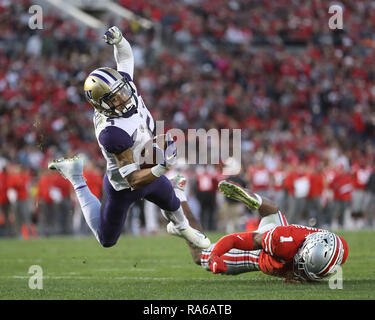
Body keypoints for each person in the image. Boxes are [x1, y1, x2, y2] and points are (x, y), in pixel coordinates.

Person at [48, 26, 210, 250]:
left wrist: (119, 40)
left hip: (146, 160)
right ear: (101, 105)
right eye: (115, 98)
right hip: (124, 185)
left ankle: (183, 228)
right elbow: (133, 180)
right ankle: (76, 177)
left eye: (122, 91)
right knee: (107, 240)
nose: (124, 97)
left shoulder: (125, 87)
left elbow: (125, 58)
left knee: (172, 202)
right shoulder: (112, 133)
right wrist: (162, 167)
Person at [197, 180, 349, 282]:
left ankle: (257, 200)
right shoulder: (283, 242)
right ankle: (179, 208)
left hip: (283, 232)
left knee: (274, 212)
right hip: (261, 254)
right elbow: (236, 239)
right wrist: (215, 255)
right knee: (199, 255)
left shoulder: (338, 247)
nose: (302, 266)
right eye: (303, 261)